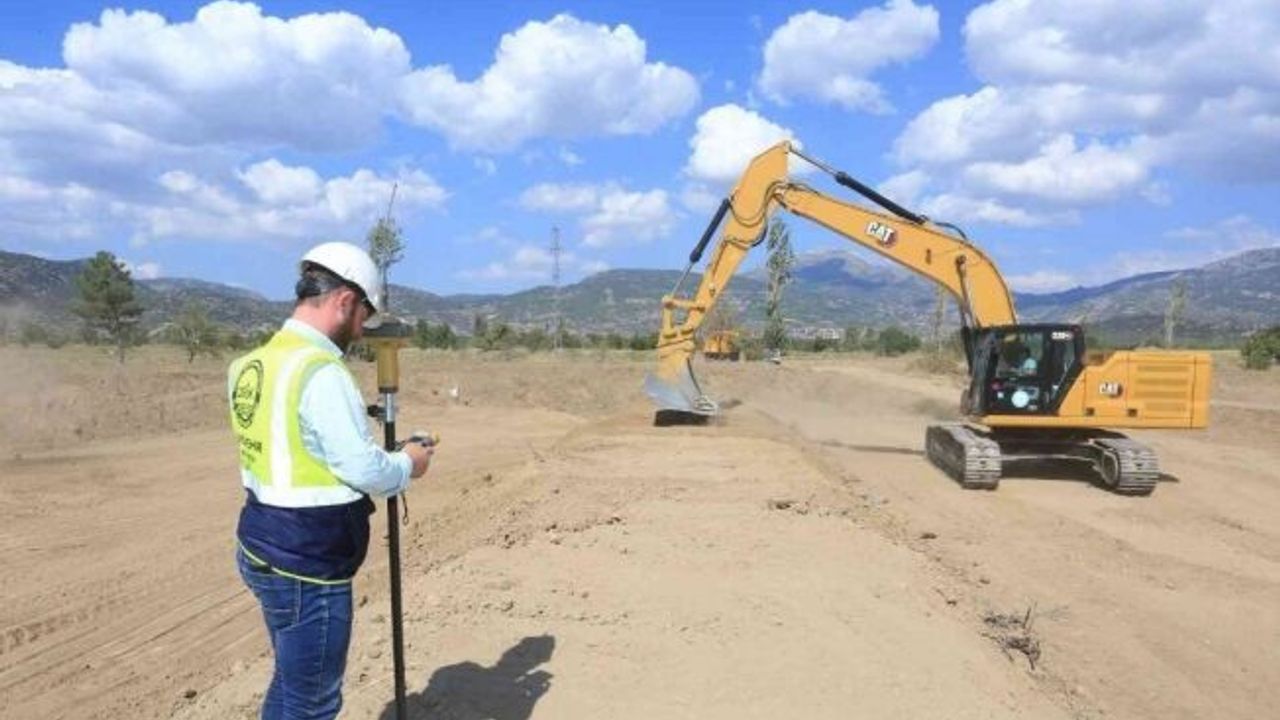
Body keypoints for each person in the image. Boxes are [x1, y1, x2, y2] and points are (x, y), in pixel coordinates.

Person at [227, 241, 433, 720]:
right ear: (345, 301)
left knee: (292, 684)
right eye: (364, 315)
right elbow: (363, 470)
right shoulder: (321, 371)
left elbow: (296, 451)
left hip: (260, 544)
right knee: (313, 703)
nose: (363, 330)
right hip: (306, 564)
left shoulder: (250, 365)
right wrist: (408, 464)